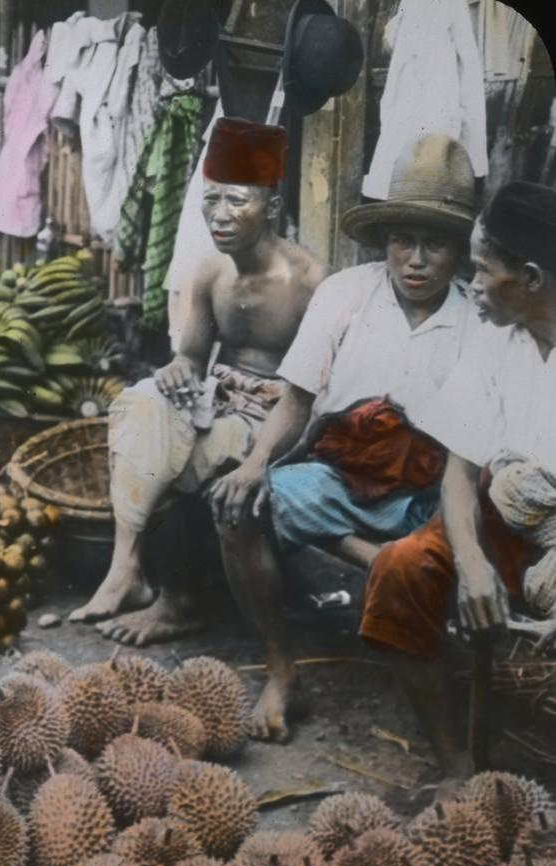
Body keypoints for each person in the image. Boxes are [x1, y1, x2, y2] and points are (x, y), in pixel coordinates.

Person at [210, 133, 481, 741]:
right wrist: (256, 462)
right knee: (236, 503)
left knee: (453, 534)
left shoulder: (476, 322)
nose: (414, 259)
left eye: (434, 244)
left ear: (459, 251)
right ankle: (282, 673)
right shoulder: (345, 296)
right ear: (383, 241)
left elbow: (470, 458)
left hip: (431, 495)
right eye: (401, 240)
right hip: (341, 478)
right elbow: (298, 400)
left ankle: (394, 577)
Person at [69, 117, 324, 641]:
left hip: (282, 420)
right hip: (221, 400)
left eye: (236, 201)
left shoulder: (311, 282)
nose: (220, 215)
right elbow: (189, 356)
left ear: (272, 208)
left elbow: (313, 397)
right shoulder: (210, 272)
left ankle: (179, 601)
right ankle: (127, 569)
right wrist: (178, 369)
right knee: (141, 404)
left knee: (191, 451)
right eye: (211, 200)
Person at [359, 180, 556, 779]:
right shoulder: (496, 339)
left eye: (481, 269)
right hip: (503, 522)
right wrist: (470, 562)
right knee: (399, 568)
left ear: (530, 278)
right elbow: (461, 469)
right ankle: (455, 764)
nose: (470, 285)